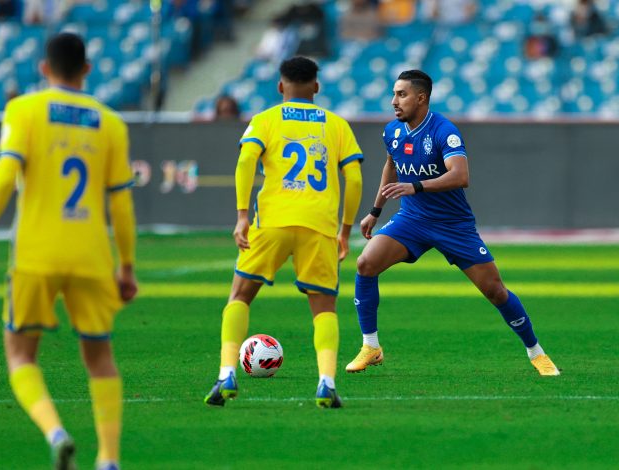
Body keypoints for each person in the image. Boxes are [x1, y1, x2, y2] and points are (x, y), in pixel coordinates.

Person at [0, 32, 137, 470]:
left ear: (43, 68)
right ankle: (108, 459)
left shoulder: (25, 110)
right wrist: (127, 265)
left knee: (20, 355)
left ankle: (56, 432)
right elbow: (121, 202)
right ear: (87, 70)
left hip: (35, 255)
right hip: (92, 256)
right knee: (100, 359)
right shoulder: (110, 122)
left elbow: (4, 175)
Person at [345, 70, 560, 377]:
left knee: (495, 291)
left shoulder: (444, 131)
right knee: (366, 263)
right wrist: (375, 210)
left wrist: (416, 186)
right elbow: (391, 165)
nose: (394, 101)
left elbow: (460, 176)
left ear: (421, 98)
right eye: (394, 94)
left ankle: (536, 353)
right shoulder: (392, 131)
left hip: (453, 225)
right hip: (411, 219)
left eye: (401, 95)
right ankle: (371, 347)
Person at [203, 56, 364, 408]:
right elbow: (353, 179)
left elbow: (246, 161)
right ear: (316, 87)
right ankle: (326, 382)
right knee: (324, 309)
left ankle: (226, 374)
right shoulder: (337, 125)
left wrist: (242, 215)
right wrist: (345, 229)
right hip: (319, 226)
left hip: (272, 222)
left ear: (280, 86)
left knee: (240, 296)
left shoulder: (265, 120)